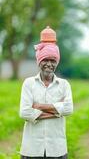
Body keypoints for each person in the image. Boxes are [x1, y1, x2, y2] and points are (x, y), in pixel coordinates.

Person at [19, 26, 73, 159]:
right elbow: (24, 112)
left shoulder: (64, 85)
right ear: (39, 61)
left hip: (57, 149)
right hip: (31, 149)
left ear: (57, 63)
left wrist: (38, 106)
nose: (49, 64)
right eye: (45, 60)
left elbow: (69, 109)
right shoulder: (28, 83)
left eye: (53, 60)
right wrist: (56, 111)